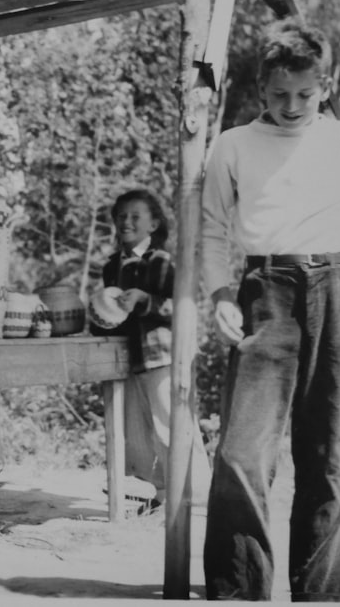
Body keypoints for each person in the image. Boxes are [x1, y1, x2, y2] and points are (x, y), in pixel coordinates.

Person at [200, 18, 340, 601]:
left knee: (332, 452)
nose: (292, 105)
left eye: (305, 93)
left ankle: (325, 594)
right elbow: (209, 229)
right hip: (265, 291)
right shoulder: (232, 145)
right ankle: (239, 591)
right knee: (241, 452)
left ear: (324, 85)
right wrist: (220, 292)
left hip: (339, 290)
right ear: (261, 88)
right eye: (279, 94)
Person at [89, 189, 210, 512]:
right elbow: (115, 316)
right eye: (121, 216)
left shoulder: (163, 262)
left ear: (153, 223)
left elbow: (182, 308)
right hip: (130, 360)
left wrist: (145, 301)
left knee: (173, 425)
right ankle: (163, 496)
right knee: (141, 435)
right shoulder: (112, 265)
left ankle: (195, 499)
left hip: (163, 357)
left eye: (135, 216)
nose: (126, 222)